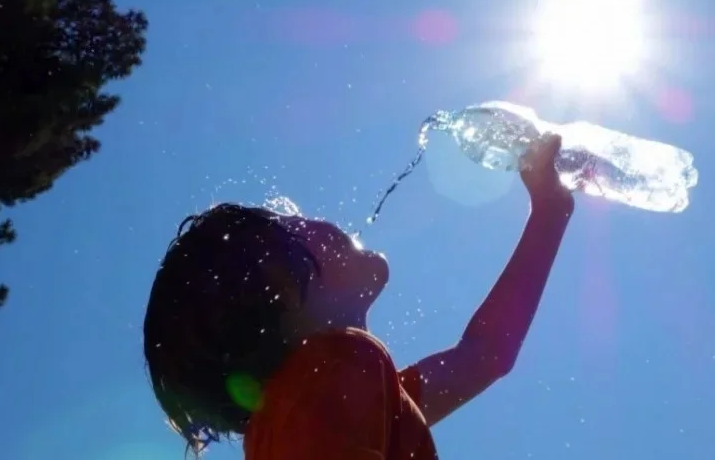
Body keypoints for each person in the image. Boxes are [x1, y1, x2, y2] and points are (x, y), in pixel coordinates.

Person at [143, 134, 575, 459]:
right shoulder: (337, 367)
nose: (310, 217)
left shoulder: (339, 400)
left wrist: (551, 211)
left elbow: (485, 354)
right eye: (290, 222)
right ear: (279, 291)